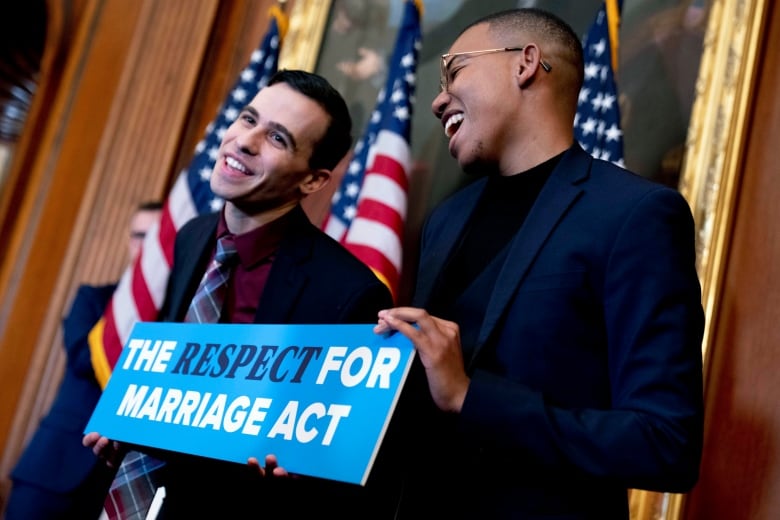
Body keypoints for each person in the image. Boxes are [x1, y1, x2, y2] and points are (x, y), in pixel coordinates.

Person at [375, 8, 705, 519]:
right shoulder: (445, 219)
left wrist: (471, 396)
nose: (438, 99)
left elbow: (666, 443)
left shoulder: (635, 215)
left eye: (455, 70)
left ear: (525, 63)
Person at [85, 70, 398, 519]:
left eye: (276, 137)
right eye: (248, 119)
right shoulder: (192, 237)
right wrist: (131, 425)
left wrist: (303, 474)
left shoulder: (351, 293)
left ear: (313, 180)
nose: (244, 141)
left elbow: (341, 468)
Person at [5, 201, 162, 520]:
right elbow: (82, 358)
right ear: (128, 241)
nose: (146, 246)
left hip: (115, 484)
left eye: (157, 237)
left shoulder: (177, 317)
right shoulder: (93, 298)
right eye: (139, 235)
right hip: (52, 470)